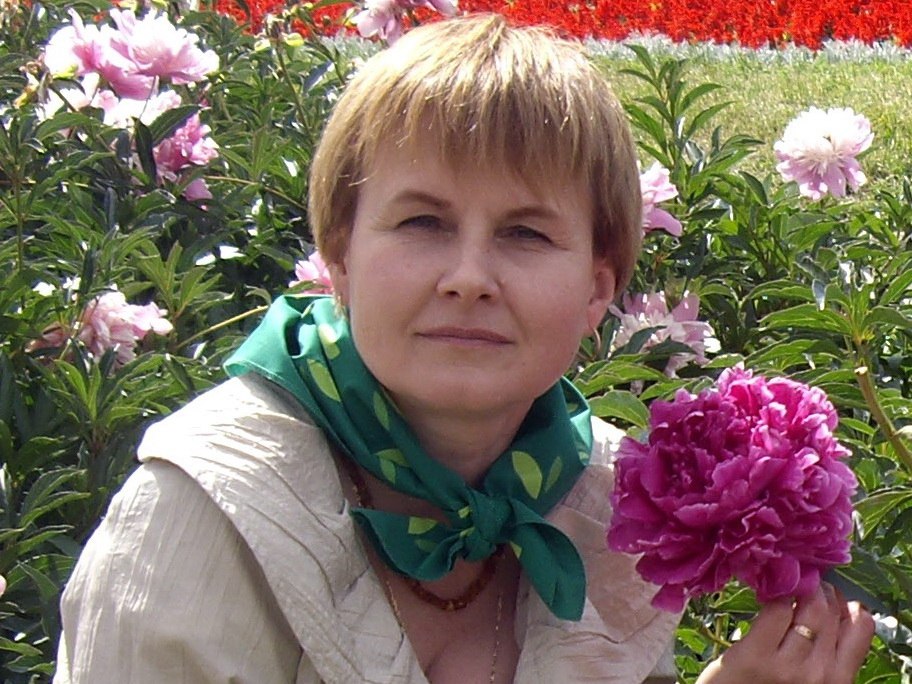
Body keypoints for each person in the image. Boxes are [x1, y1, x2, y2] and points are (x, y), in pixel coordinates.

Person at [53, 13, 874, 684]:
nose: (469, 278)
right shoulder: (206, 515)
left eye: (525, 233)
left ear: (597, 288)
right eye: (423, 222)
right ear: (340, 257)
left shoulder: (608, 514)